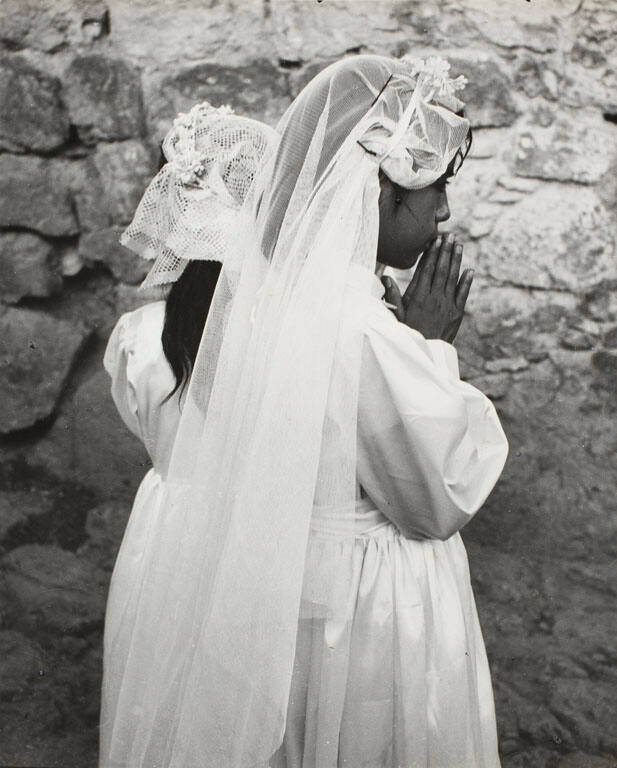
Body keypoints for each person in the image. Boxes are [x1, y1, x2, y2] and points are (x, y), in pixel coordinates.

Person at [102, 55, 509, 768]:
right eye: (435, 187)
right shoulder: (361, 334)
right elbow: (436, 497)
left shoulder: (199, 323)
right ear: (375, 190)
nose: (443, 211)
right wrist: (428, 348)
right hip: (360, 606)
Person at [99, 102, 278, 768]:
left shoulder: (138, 338)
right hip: (255, 540)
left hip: (164, 530)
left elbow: (141, 420)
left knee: (160, 693)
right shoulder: (278, 336)